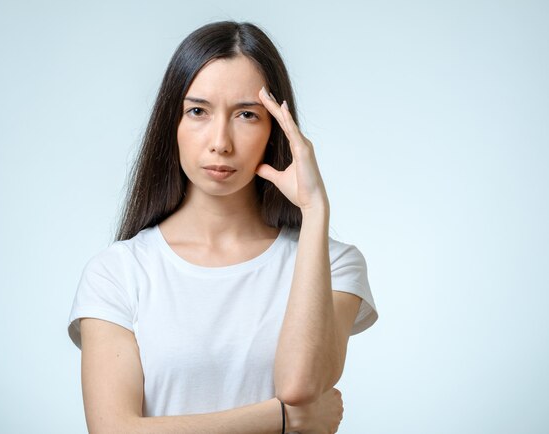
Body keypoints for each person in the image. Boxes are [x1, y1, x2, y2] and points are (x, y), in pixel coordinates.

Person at [67, 20, 378, 434]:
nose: (221, 142)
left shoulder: (334, 264)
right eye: (197, 111)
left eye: (247, 115)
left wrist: (315, 209)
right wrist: (282, 419)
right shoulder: (118, 272)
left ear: (275, 131)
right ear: (170, 124)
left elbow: (299, 385)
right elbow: (113, 431)